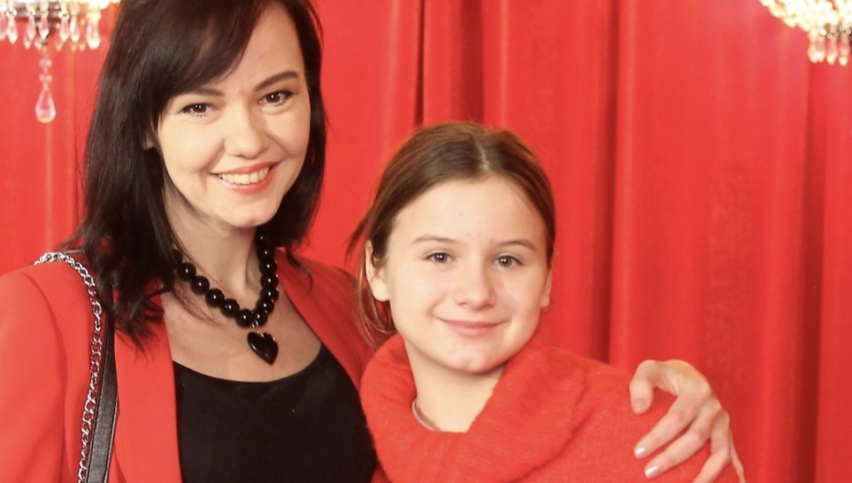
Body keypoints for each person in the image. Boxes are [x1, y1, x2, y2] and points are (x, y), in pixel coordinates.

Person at [0, 1, 739, 482]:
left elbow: (503, 423)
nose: (249, 138)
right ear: (143, 123)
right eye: (201, 105)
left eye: (276, 95)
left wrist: (670, 397)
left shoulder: (348, 308)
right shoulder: (45, 316)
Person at [354, 122, 740, 482]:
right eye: (439, 256)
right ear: (378, 271)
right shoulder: (342, 437)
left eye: (507, 260)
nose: (476, 293)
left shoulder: (664, 440)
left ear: (547, 278)